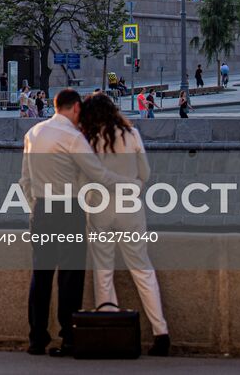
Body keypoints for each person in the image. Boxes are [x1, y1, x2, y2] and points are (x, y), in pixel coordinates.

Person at [19, 88, 134, 357]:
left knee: (41, 276)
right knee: (70, 277)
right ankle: (68, 337)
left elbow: (24, 179)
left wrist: (35, 207)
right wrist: (130, 185)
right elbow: (100, 175)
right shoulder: (73, 138)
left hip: (42, 211)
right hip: (69, 210)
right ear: (75, 108)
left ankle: (37, 338)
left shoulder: (33, 134)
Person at [76, 92, 170, 357]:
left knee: (103, 270)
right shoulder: (132, 134)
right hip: (130, 208)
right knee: (142, 268)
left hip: (100, 208)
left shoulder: (88, 140)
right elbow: (146, 175)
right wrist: (134, 188)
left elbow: (82, 182)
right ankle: (160, 332)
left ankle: (110, 331)